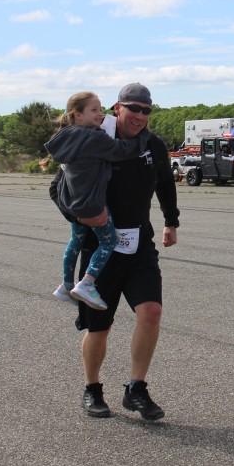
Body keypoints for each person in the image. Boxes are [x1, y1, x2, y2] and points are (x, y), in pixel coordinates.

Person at [74, 83, 179, 421]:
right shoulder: (93, 139)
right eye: (134, 108)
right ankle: (92, 388)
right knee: (99, 327)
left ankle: (136, 389)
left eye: (146, 110)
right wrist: (80, 215)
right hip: (99, 250)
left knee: (151, 312)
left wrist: (171, 221)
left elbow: (165, 182)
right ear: (117, 108)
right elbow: (59, 187)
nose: (140, 116)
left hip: (139, 246)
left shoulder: (152, 144)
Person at [45, 92, 150, 310]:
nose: (100, 114)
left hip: (72, 202)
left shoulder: (66, 137)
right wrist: (143, 136)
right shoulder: (94, 137)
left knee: (75, 241)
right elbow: (123, 150)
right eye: (94, 110)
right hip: (93, 204)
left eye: (100, 109)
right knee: (108, 242)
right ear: (77, 114)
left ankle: (66, 284)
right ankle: (87, 283)